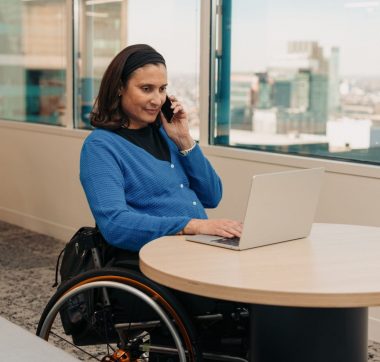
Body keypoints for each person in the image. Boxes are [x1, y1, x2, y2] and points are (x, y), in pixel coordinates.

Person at [80, 43, 243, 252]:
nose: (157, 100)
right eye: (146, 89)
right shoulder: (101, 147)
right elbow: (114, 225)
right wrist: (193, 226)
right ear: (120, 87)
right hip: (156, 256)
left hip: (196, 247)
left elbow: (212, 196)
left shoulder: (169, 134)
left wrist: (185, 140)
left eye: (162, 89)